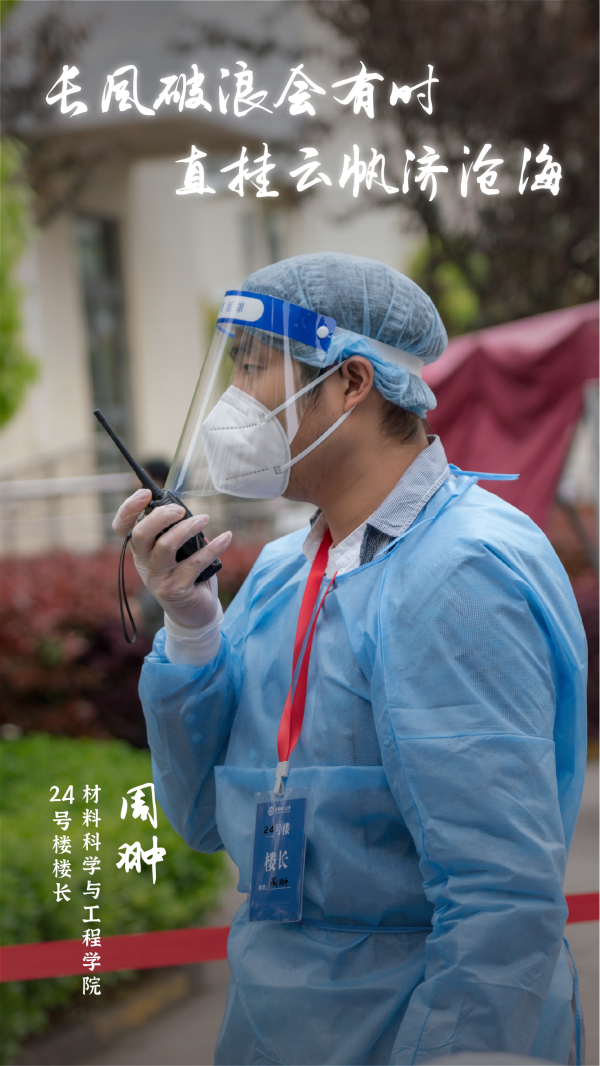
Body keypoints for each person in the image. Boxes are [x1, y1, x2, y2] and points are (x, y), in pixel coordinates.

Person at [113, 253, 587, 1066]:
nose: (233, 402)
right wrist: (192, 630)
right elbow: (201, 816)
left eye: (253, 368)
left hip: (418, 1029)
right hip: (273, 1026)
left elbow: (501, 902)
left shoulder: (461, 571)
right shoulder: (287, 569)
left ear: (353, 383)